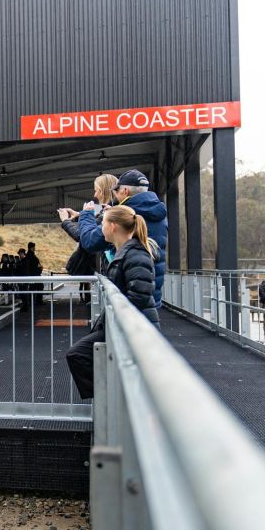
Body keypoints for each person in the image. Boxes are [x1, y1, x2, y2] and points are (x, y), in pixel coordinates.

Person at [66, 206, 160, 398]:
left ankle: (108, 402)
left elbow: (140, 296)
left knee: (78, 354)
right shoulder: (124, 251)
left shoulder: (135, 254)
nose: (100, 228)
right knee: (79, 354)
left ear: (113, 226)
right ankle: (109, 402)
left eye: (103, 223)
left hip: (133, 327)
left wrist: (117, 319)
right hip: (125, 325)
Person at [76, 169, 168, 307]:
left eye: (117, 190)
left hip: (128, 294)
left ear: (125, 191)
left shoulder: (125, 215)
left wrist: (86, 216)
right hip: (151, 289)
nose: (115, 195)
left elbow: (91, 241)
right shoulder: (159, 213)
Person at [59, 174, 118, 301]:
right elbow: (96, 221)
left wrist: (65, 222)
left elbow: (84, 237)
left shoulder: (110, 214)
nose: (95, 195)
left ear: (102, 191)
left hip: (111, 273)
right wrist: (79, 215)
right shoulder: (116, 210)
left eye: (96, 190)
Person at [18, 242, 44, 308]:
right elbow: (33, 266)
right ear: (31, 247)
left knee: (36, 287)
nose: (34, 248)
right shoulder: (30, 256)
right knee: (36, 287)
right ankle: (35, 301)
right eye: (34, 247)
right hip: (34, 274)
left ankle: (34, 301)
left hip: (34, 274)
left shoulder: (30, 255)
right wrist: (39, 268)